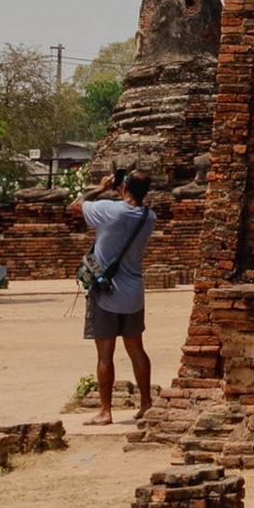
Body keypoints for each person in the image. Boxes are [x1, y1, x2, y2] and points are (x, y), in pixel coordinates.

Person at [74, 168, 156, 424]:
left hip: (105, 292)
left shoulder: (111, 210)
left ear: (124, 188)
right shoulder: (149, 217)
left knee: (105, 354)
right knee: (137, 350)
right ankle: (146, 403)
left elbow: (76, 205)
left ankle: (105, 411)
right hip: (134, 293)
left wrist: (102, 187)